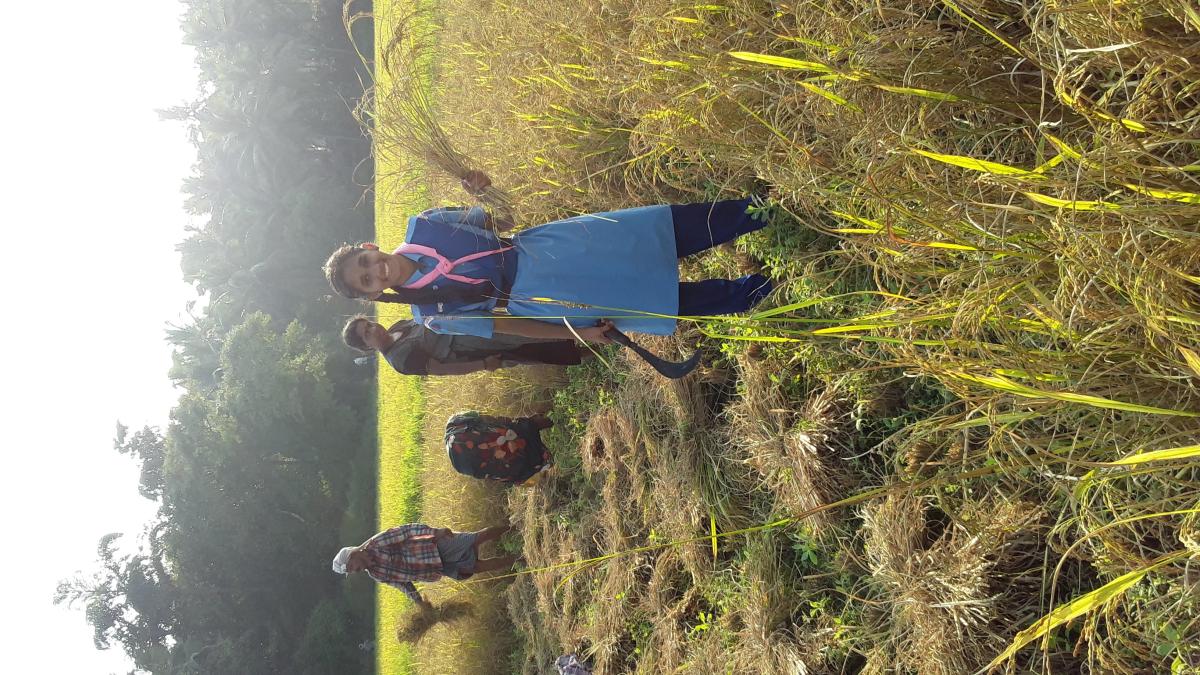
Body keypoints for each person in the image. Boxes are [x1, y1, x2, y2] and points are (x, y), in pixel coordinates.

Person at [323, 184, 773, 344]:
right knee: (648, 300)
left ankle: (759, 211)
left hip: (544, 245)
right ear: (370, 295)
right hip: (540, 297)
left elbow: (503, 220)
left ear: (369, 246)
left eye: (366, 261)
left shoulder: (425, 224)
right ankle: (758, 292)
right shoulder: (432, 316)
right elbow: (507, 326)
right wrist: (579, 333)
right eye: (366, 280)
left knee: (650, 232)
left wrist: (483, 192)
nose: (375, 270)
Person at [332, 524, 516, 607]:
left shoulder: (377, 543)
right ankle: (517, 558)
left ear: (353, 554)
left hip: (435, 547)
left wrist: (435, 532)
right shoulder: (376, 574)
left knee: (476, 538)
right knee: (476, 567)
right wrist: (419, 603)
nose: (354, 571)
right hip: (435, 568)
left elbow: (407, 531)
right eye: (350, 571)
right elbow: (403, 584)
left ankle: (513, 527)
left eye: (351, 567)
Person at [342, 315, 585, 376]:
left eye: (369, 324)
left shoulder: (397, 326)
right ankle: (589, 344)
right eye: (367, 333)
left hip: (467, 326)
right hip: (473, 347)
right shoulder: (400, 359)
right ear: (366, 347)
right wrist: (484, 364)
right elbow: (441, 369)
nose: (374, 328)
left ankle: (582, 327)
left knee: (524, 325)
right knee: (529, 346)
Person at [443, 411, 554, 485]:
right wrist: (509, 424)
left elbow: (487, 475)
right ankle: (552, 418)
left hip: (515, 468)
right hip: (509, 440)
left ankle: (546, 462)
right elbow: (488, 419)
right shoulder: (457, 422)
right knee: (527, 426)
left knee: (531, 462)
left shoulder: (462, 463)